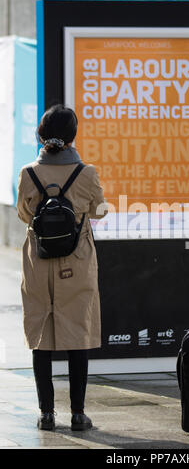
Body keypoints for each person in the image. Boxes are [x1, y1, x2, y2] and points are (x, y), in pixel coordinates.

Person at [17, 104, 108, 431]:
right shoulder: (87, 173)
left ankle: (46, 414)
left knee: (41, 335)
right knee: (77, 335)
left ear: (41, 135)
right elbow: (99, 211)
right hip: (77, 262)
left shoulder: (28, 173)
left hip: (38, 263)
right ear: (72, 136)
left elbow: (23, 215)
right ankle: (78, 414)